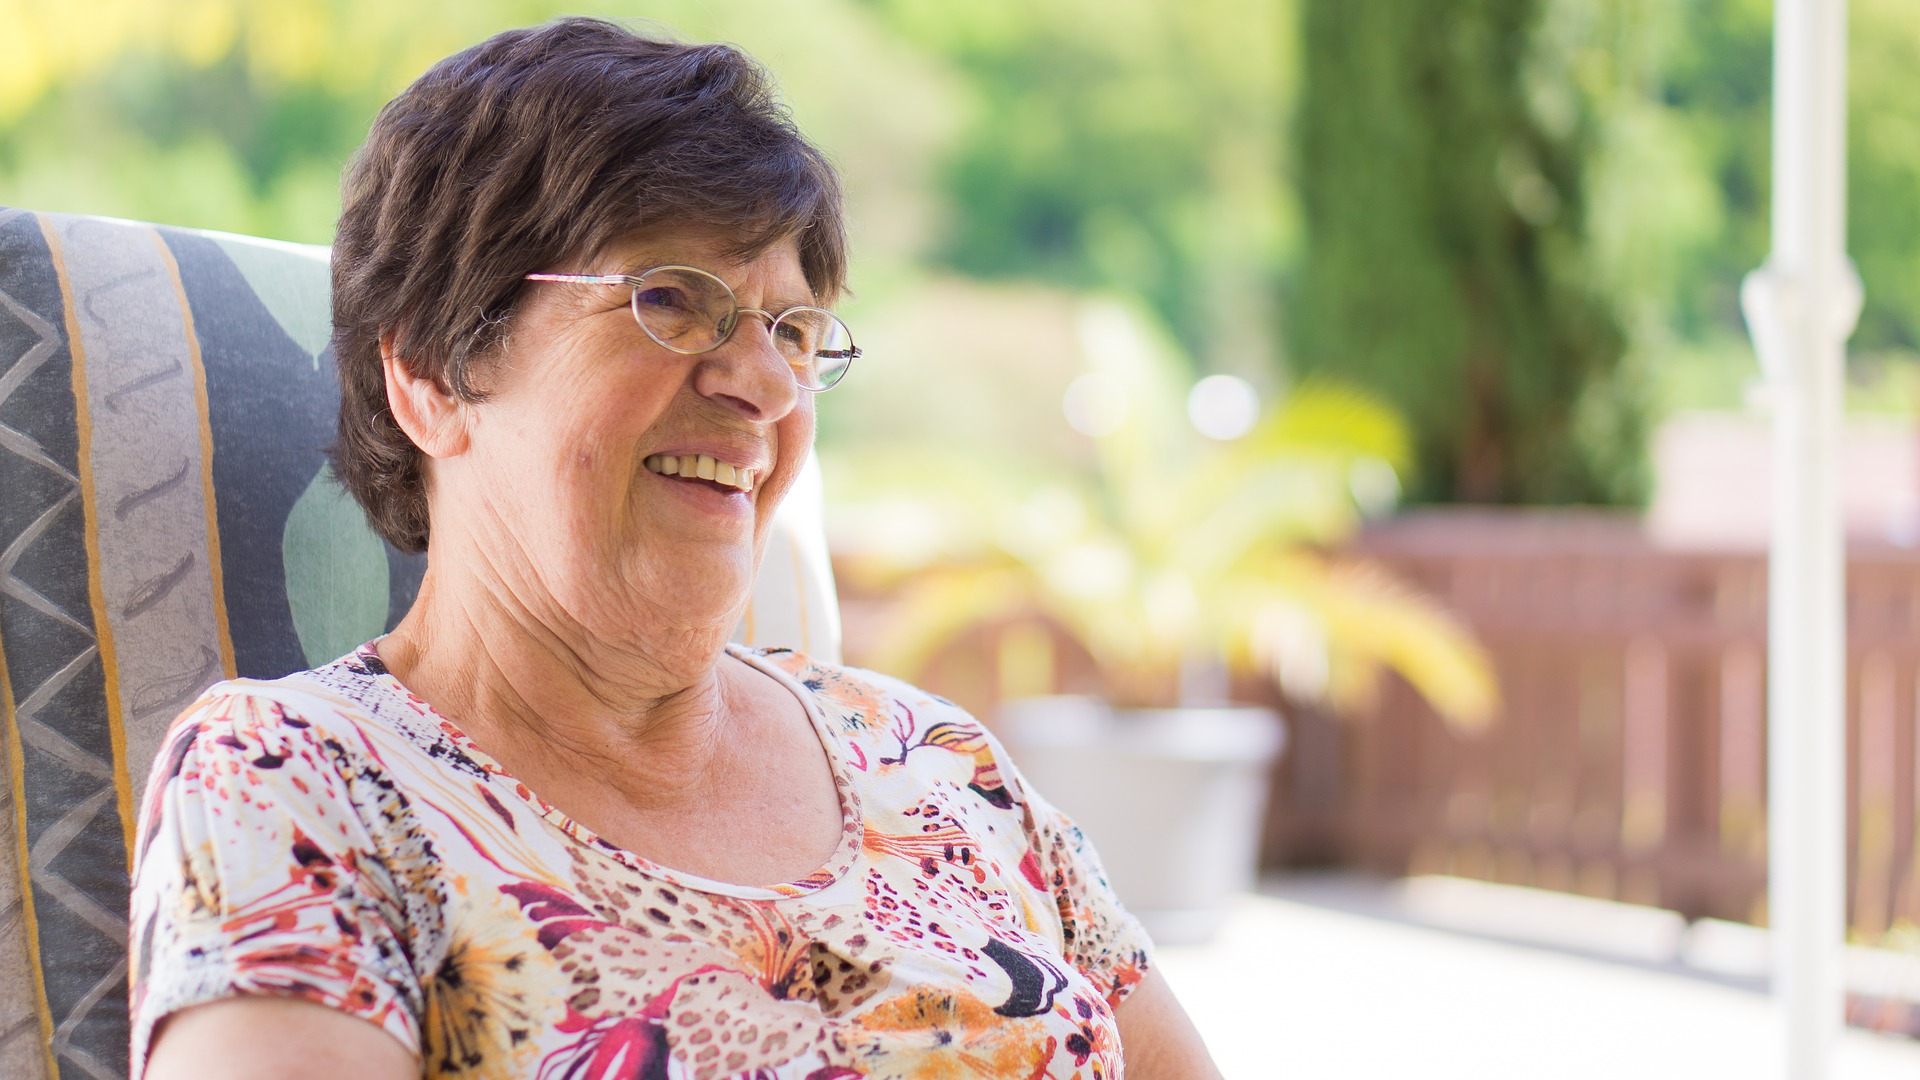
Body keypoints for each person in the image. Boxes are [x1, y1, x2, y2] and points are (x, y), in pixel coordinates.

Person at [128, 18, 1221, 1080]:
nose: (763, 385)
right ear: (430, 375)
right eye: (671, 301)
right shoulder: (297, 785)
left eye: (793, 331)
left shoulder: (937, 759)